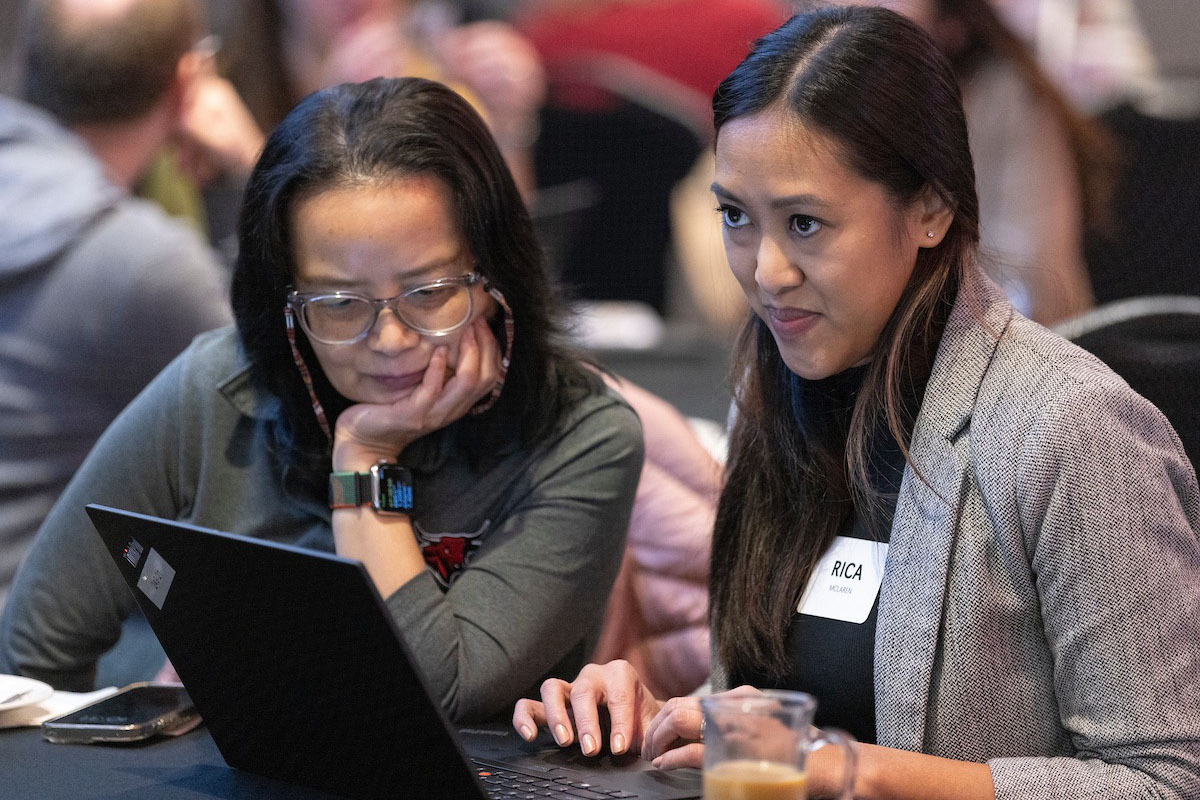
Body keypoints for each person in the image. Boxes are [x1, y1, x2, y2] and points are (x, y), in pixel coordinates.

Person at [513, 7, 1200, 798]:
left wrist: (857, 771)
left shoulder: (1068, 428)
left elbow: (1163, 781)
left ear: (932, 209)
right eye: (736, 215)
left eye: (805, 224)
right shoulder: (773, 393)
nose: (766, 270)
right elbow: (798, 706)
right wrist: (657, 717)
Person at [0, 76, 643, 724]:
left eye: (429, 292)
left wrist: (365, 460)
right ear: (286, 304)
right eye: (338, 304)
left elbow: (434, 698)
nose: (390, 340)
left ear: (493, 277)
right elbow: (34, 646)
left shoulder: (583, 438)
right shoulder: (217, 391)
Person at [0, 0, 232, 611]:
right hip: (33, 664)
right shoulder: (143, 265)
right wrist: (257, 170)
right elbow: (275, 421)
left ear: (24, 61)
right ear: (185, 85)